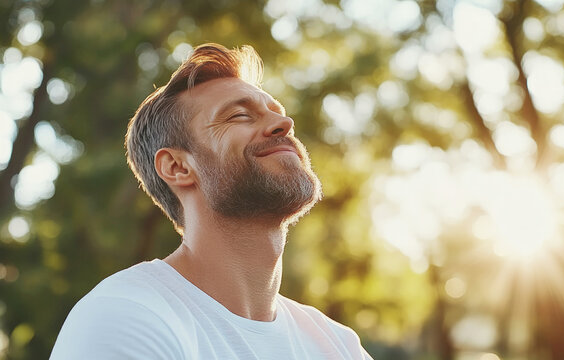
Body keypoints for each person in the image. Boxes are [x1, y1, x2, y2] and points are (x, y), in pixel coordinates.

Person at [50, 43, 373, 359]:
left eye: (278, 113)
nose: (284, 124)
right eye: (240, 116)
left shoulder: (337, 344)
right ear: (178, 167)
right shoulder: (126, 316)